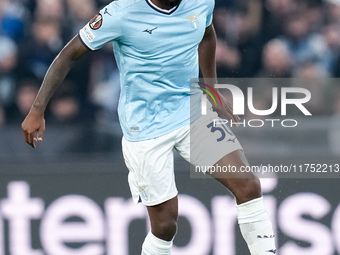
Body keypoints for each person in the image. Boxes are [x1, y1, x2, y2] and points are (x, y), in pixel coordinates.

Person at [21, 0, 277, 254]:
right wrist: (37, 109)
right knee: (165, 225)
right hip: (144, 128)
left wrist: (212, 89)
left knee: (248, 185)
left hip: (191, 112)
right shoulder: (120, 12)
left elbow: (206, 33)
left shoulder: (201, 2)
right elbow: (70, 53)